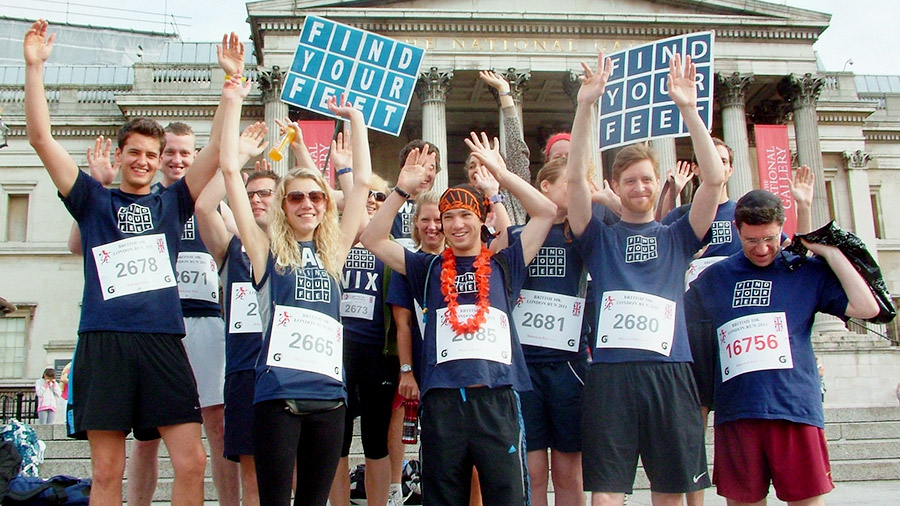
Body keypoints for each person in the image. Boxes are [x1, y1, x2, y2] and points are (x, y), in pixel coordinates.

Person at [25, 19, 227, 505]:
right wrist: (35, 68)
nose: (143, 160)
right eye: (134, 152)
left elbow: (218, 150)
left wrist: (231, 85)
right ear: (118, 155)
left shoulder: (172, 203)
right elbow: (40, 138)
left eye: (151, 154)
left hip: (162, 341)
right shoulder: (93, 200)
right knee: (106, 471)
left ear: (159, 161)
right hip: (105, 341)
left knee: (192, 461)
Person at [361, 132, 557, 506]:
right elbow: (372, 239)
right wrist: (401, 191)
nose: (456, 224)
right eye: (448, 217)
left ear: (481, 219)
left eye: (465, 215)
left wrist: (500, 176)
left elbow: (546, 211)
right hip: (443, 403)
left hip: (496, 398)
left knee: (507, 498)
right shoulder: (427, 267)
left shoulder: (505, 263)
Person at [566, 52, 726, 506]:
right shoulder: (598, 238)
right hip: (611, 375)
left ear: (659, 184)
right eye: (630, 181)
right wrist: (585, 106)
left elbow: (713, 182)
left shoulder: (678, 235)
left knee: (670, 491)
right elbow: (574, 181)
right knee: (606, 492)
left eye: (647, 180)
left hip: (670, 371)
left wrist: (689, 109)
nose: (639, 188)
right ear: (615, 187)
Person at [219, 87, 371, 506]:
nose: (308, 203)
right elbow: (229, 172)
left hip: (329, 399)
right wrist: (233, 98)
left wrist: (356, 119)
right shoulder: (263, 251)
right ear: (283, 206)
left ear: (326, 205)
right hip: (277, 397)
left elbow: (361, 184)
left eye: (316, 196)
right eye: (297, 197)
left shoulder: (334, 252)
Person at [684, 189, 879, 506]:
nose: (762, 249)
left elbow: (867, 307)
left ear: (782, 228)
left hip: (794, 408)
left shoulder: (803, 270)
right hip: (737, 411)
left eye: (770, 239)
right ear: (737, 230)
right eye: (751, 240)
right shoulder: (715, 277)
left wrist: (829, 252)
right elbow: (678, 323)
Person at [512, 158, 589, 506]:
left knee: (569, 472)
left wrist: (599, 196)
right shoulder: (518, 235)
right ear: (544, 186)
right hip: (526, 367)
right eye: (570, 183)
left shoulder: (583, 236)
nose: (578, 190)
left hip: (569, 367)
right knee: (532, 472)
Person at [391, 140, 441, 250]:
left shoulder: (444, 206)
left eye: (431, 168)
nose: (425, 173)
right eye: (420, 166)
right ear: (404, 168)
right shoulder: (382, 199)